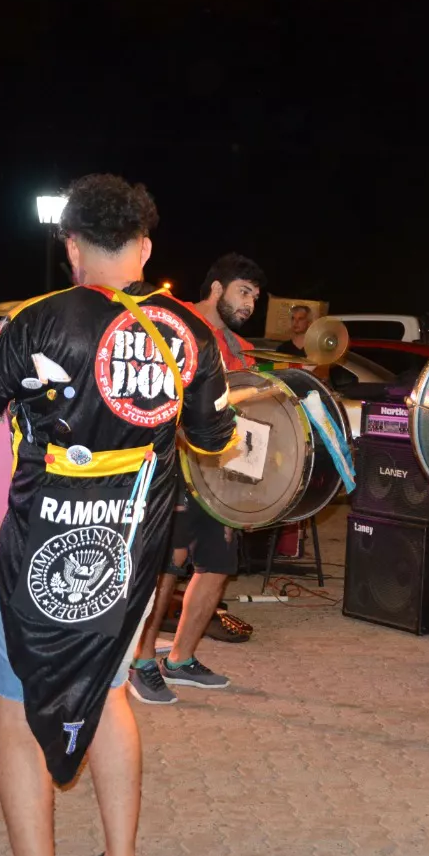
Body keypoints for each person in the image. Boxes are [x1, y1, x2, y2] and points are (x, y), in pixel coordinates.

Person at [0, 174, 236, 856]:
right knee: (108, 691)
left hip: (33, 559)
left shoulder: (38, 321)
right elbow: (215, 441)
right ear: (146, 247)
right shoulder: (188, 333)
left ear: (71, 246)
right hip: (124, 563)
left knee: (16, 708)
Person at [129, 253, 267, 704]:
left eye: (255, 297)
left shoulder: (240, 348)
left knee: (217, 565)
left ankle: (181, 658)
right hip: (174, 466)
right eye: (244, 292)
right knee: (167, 565)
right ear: (216, 288)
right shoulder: (176, 324)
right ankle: (143, 661)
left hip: (219, 474)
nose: (250, 304)